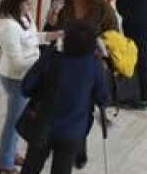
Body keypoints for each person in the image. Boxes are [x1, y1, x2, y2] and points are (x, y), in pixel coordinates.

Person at [18, 21, 110, 174]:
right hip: (72, 131)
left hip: (43, 126)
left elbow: (26, 87)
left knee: (31, 168)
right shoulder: (94, 66)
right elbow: (103, 98)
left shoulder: (52, 58)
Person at [0, 0, 61, 174]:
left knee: (20, 118)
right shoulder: (8, 26)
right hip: (15, 78)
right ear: (16, 1)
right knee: (14, 121)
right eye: (27, 3)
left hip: (27, 75)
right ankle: (5, 165)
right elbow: (16, 61)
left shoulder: (24, 16)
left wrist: (54, 35)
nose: (30, 7)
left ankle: (10, 153)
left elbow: (33, 38)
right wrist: (42, 64)